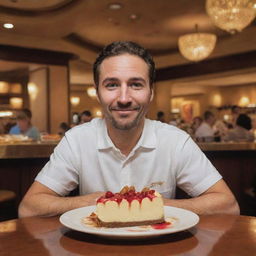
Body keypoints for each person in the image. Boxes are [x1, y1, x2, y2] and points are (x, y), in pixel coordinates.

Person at [18, 41, 239, 218]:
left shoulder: (175, 141)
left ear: (151, 92)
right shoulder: (77, 140)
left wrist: (152, 204)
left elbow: (228, 205)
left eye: (136, 84)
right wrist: (93, 202)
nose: (124, 98)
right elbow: (29, 207)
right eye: (112, 85)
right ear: (98, 92)